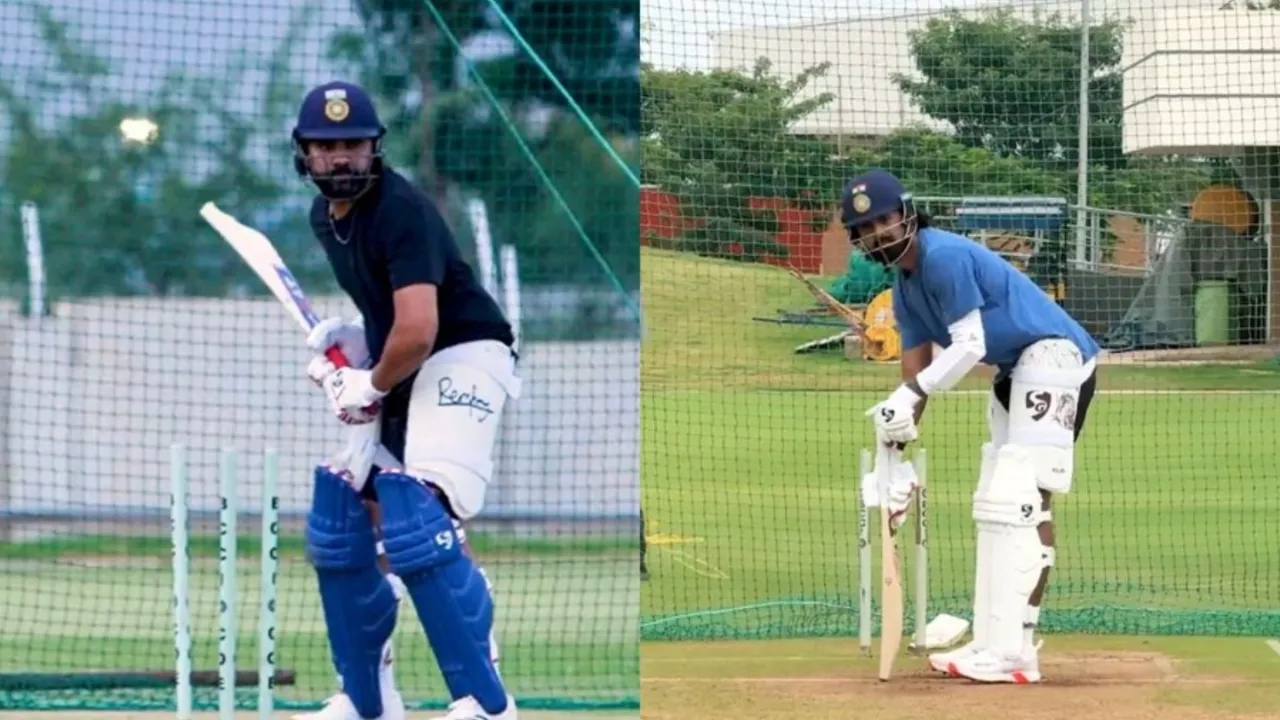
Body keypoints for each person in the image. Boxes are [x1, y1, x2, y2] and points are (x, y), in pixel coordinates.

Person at [289, 80, 522, 720]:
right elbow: (391, 321)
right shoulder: (325, 220)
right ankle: (369, 697)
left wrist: (369, 383)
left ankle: (486, 698)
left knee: (421, 515)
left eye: (353, 145)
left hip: (466, 352)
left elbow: (419, 329)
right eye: (326, 146)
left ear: (375, 148)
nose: (340, 158)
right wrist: (354, 346)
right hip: (408, 362)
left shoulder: (400, 210)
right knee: (349, 523)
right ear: (303, 153)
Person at [843, 169, 1100, 684]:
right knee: (993, 502)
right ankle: (993, 640)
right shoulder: (904, 290)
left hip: (1053, 356)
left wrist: (911, 396)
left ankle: (1018, 651)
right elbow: (915, 369)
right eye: (866, 228)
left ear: (908, 214)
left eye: (885, 220)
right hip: (1015, 371)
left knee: (1024, 500)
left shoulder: (944, 256)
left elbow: (969, 346)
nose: (879, 234)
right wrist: (897, 438)